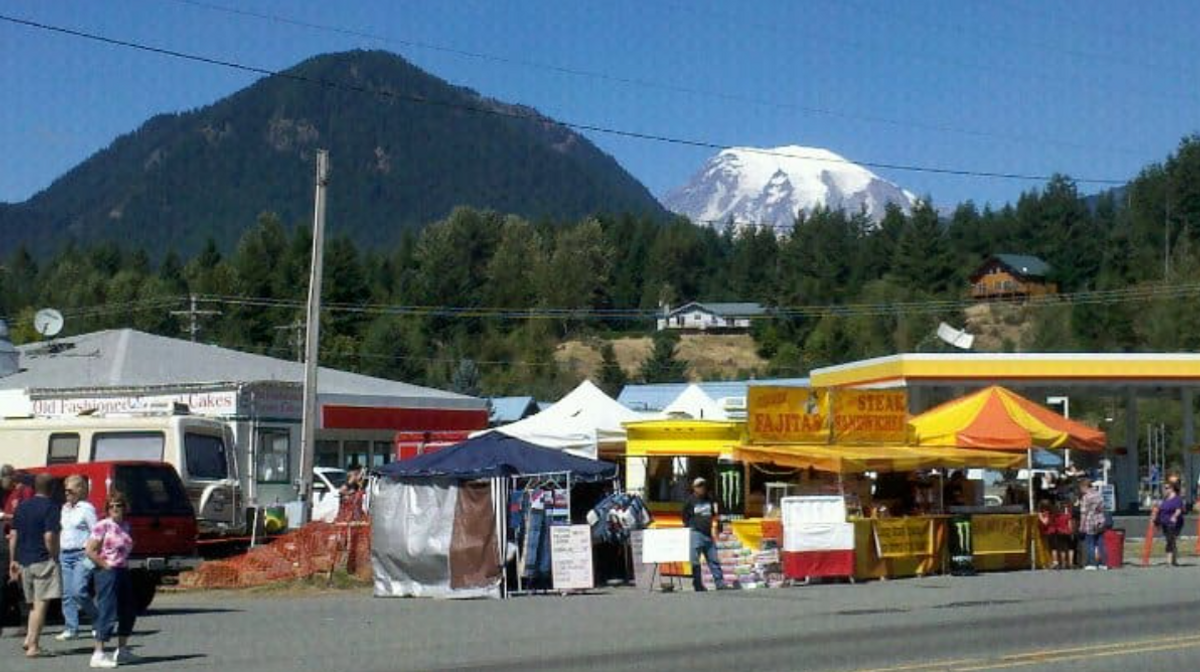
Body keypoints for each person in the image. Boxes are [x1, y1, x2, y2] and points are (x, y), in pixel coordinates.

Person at [9, 472, 62, 657]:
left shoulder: (22, 507)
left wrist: (13, 560)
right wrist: (55, 555)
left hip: (24, 560)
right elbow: (49, 536)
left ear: (34, 487)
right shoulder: (51, 507)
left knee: (32, 604)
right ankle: (33, 646)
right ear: (52, 488)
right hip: (43, 559)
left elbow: (13, 535)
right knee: (41, 604)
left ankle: (29, 639)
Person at [87, 490, 137, 668]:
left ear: (125, 507)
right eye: (111, 506)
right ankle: (98, 652)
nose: (115, 509)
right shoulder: (103, 525)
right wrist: (104, 565)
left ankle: (122, 649)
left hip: (123, 570)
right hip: (107, 572)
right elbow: (90, 550)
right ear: (107, 509)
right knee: (108, 610)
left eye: (119, 505)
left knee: (128, 610)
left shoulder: (126, 526)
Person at [58, 475, 98, 640]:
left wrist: (92, 554)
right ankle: (71, 628)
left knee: (79, 591)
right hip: (65, 554)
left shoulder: (86, 508)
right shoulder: (65, 508)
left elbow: (96, 532)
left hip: (82, 554)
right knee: (67, 594)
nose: (67, 493)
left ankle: (97, 618)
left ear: (81, 489)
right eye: (66, 490)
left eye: (71, 490)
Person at [682, 478, 725, 592]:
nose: (702, 488)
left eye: (703, 486)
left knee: (713, 558)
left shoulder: (709, 499)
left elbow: (714, 514)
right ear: (694, 488)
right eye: (699, 486)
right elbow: (685, 517)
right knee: (695, 561)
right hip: (696, 533)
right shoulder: (690, 501)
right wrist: (690, 527)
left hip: (708, 532)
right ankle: (697, 584)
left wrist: (718, 525)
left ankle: (720, 583)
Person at [1078, 478, 1108, 570]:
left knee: (1090, 543)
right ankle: (1103, 564)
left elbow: (1083, 513)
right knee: (1100, 542)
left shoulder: (1086, 497)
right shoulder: (1099, 494)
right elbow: (1102, 508)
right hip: (1100, 520)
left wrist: (1081, 526)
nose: (1080, 490)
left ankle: (1092, 563)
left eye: (1080, 488)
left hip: (1089, 521)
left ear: (1084, 486)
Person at [1156, 482, 1186, 567]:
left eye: (1166, 488)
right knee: (1171, 541)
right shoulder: (1165, 499)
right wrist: (1157, 523)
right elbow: (1161, 511)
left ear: (1171, 489)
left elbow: (1179, 510)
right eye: (1164, 488)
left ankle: (1169, 562)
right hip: (1164, 523)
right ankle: (1174, 561)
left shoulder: (1177, 499)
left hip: (1174, 523)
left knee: (1170, 540)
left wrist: (1174, 516)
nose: (1164, 490)